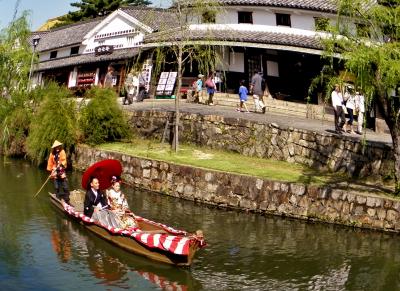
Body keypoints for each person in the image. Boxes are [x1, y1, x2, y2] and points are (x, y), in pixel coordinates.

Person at [47, 140, 70, 205]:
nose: (57, 148)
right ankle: (57, 197)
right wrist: (51, 170)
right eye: (56, 147)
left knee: (65, 186)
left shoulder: (62, 151)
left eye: (58, 147)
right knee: (56, 186)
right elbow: (50, 162)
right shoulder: (52, 153)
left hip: (61, 169)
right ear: (54, 148)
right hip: (55, 170)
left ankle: (67, 199)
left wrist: (60, 165)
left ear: (60, 146)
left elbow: (64, 160)